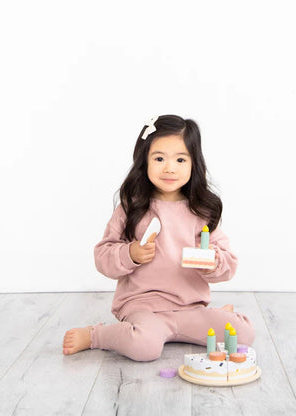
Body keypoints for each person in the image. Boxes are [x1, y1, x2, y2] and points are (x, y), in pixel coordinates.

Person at [63, 115, 255, 361]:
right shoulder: (131, 208)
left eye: (180, 159)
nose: (170, 168)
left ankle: (216, 316)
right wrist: (130, 254)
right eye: (159, 158)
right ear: (144, 161)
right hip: (143, 306)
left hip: (190, 308)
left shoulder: (201, 212)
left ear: (194, 163)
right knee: (144, 346)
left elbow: (229, 264)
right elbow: (102, 256)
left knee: (243, 334)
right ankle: (96, 335)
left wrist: (212, 262)